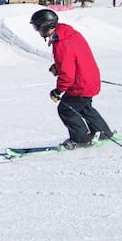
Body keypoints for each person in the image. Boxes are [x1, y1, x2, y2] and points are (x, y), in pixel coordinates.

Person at [30, 9, 114, 149]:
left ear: (45, 26)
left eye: (37, 27)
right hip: (90, 79)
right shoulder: (69, 34)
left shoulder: (62, 43)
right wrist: (58, 65)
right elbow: (72, 59)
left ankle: (81, 139)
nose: (37, 31)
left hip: (80, 84)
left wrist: (58, 91)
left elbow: (67, 74)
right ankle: (104, 133)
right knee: (84, 107)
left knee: (66, 109)